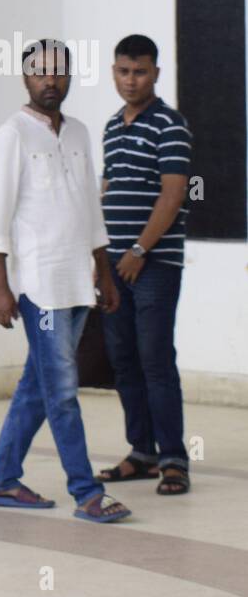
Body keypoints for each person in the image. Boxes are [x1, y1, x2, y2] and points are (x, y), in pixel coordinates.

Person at [0, 39, 128, 523]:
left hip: (77, 283)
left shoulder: (82, 134)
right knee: (62, 390)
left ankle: (1, 479)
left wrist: (103, 273)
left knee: (36, 387)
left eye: (59, 72)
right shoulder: (12, 135)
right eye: (40, 71)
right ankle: (86, 492)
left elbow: (92, 210)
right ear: (25, 78)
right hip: (38, 284)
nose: (50, 80)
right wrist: (1, 286)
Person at [97, 35, 193, 496]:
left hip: (153, 265)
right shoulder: (113, 127)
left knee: (156, 360)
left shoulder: (170, 125)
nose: (130, 80)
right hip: (114, 265)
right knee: (124, 361)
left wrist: (138, 250)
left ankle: (174, 458)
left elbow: (172, 195)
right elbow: (107, 189)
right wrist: (102, 254)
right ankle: (142, 453)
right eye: (122, 71)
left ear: (156, 72)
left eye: (139, 71)